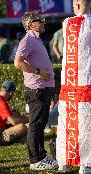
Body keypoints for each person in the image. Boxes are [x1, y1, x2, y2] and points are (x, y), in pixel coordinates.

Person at [56, 0, 91, 174]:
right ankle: (88, 164)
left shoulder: (67, 24)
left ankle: (64, 161)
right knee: (90, 125)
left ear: (77, 5)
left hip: (70, 86)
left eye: (73, 5)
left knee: (66, 124)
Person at [14, 11, 57, 171]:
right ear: (31, 24)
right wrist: (38, 72)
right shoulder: (28, 40)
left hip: (42, 89)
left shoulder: (36, 40)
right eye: (40, 20)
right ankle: (35, 160)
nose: (43, 22)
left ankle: (42, 156)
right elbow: (17, 63)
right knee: (36, 125)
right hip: (36, 90)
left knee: (40, 124)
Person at [0, 81, 28, 145]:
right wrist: (31, 119)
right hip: (1, 136)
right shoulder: (1, 102)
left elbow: (13, 116)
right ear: (11, 93)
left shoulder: (1, 100)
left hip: (3, 128)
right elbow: (13, 121)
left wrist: (25, 118)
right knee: (22, 127)